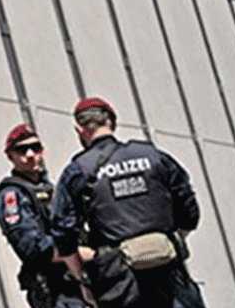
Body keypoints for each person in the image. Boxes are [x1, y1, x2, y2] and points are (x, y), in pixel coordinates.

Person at [50, 97, 206, 308]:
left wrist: (82, 281)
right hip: (171, 276)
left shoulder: (78, 171)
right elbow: (190, 214)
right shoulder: (154, 157)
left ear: (79, 130)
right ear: (112, 123)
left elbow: (63, 234)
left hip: (119, 283)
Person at [0, 123, 90, 308]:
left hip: (76, 283)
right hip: (54, 290)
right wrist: (79, 255)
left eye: (35, 148)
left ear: (42, 151)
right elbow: (32, 248)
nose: (30, 154)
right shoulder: (11, 194)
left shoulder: (49, 189)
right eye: (21, 150)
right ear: (10, 156)